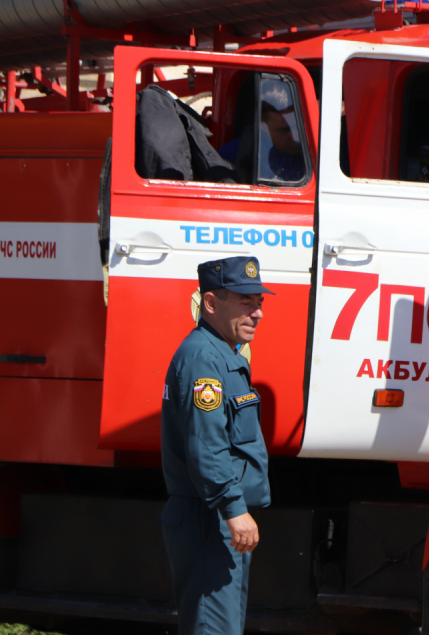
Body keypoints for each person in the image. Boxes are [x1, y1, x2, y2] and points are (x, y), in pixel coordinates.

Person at [160, 255, 274, 635]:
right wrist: (233, 507)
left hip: (215, 518)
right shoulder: (203, 359)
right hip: (208, 518)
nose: (256, 313)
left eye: (259, 302)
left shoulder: (223, 355)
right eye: (245, 302)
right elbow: (207, 445)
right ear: (210, 303)